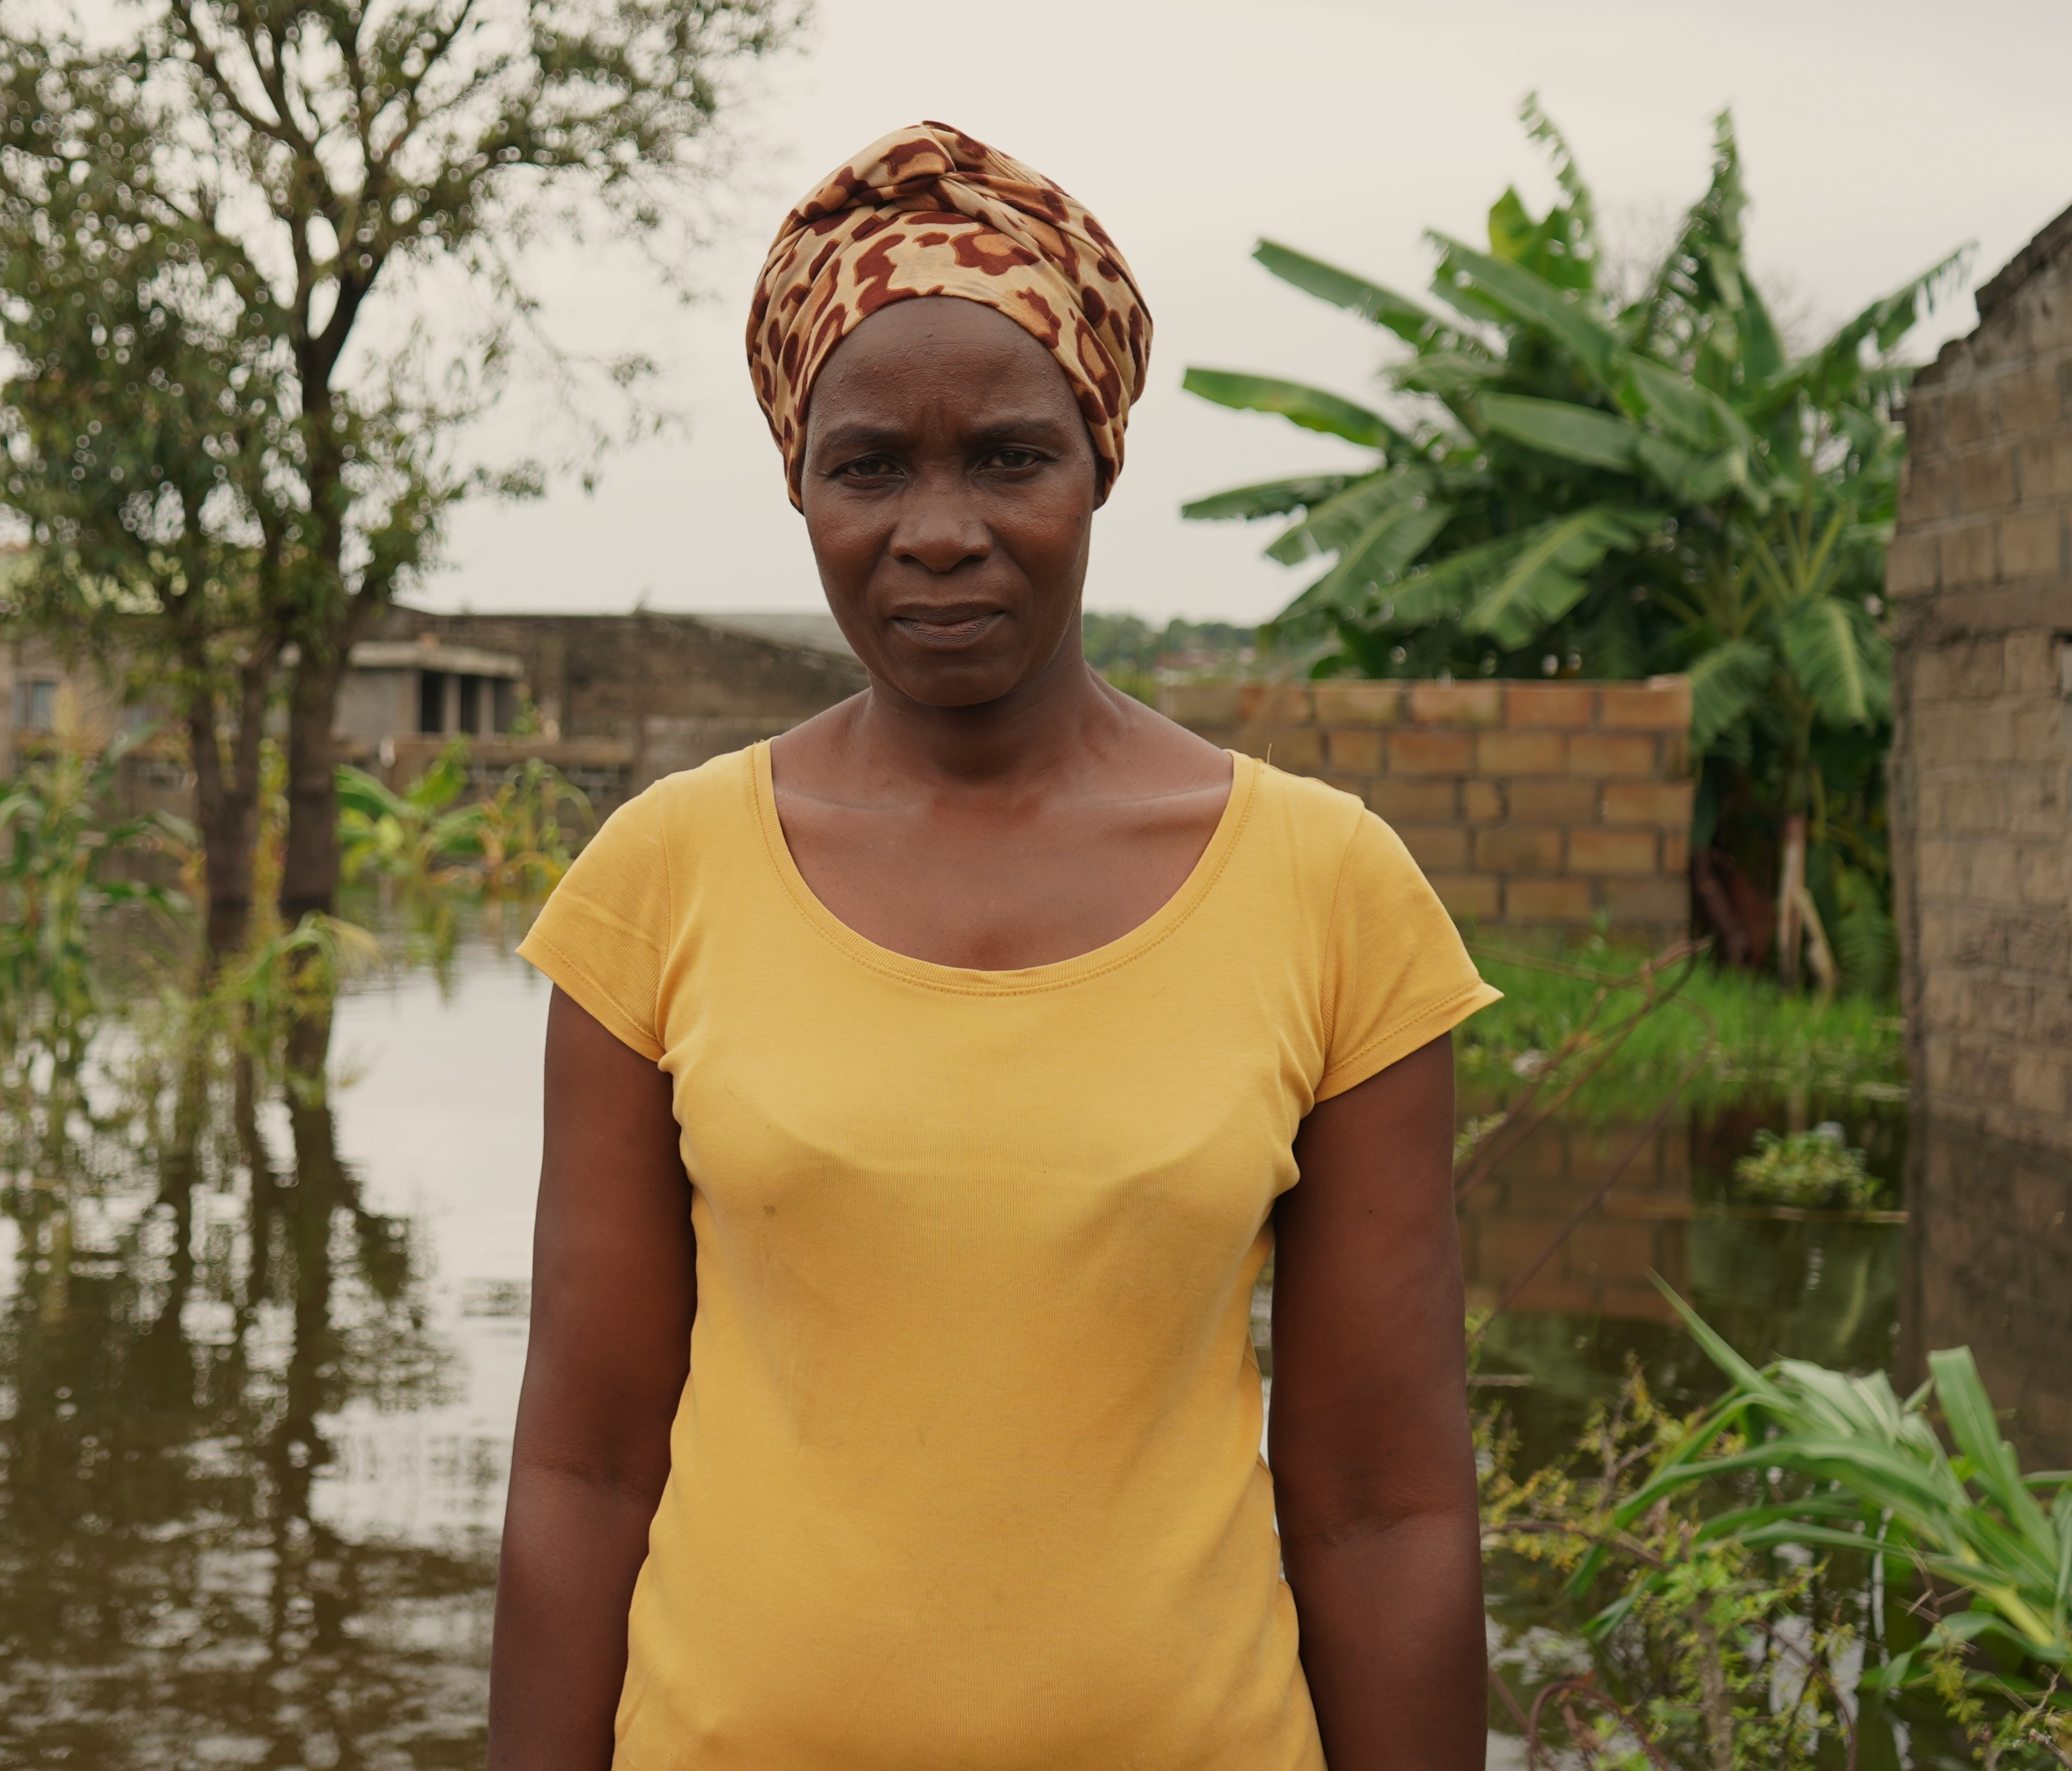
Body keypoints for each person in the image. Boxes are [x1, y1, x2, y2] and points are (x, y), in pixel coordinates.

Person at [486, 124, 1497, 1770]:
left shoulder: (1327, 892)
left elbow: (1382, 1504)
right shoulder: (658, 881)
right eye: (870, 463)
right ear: (798, 480)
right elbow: (584, 1469)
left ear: (1099, 459)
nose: (937, 529)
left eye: (1008, 458)